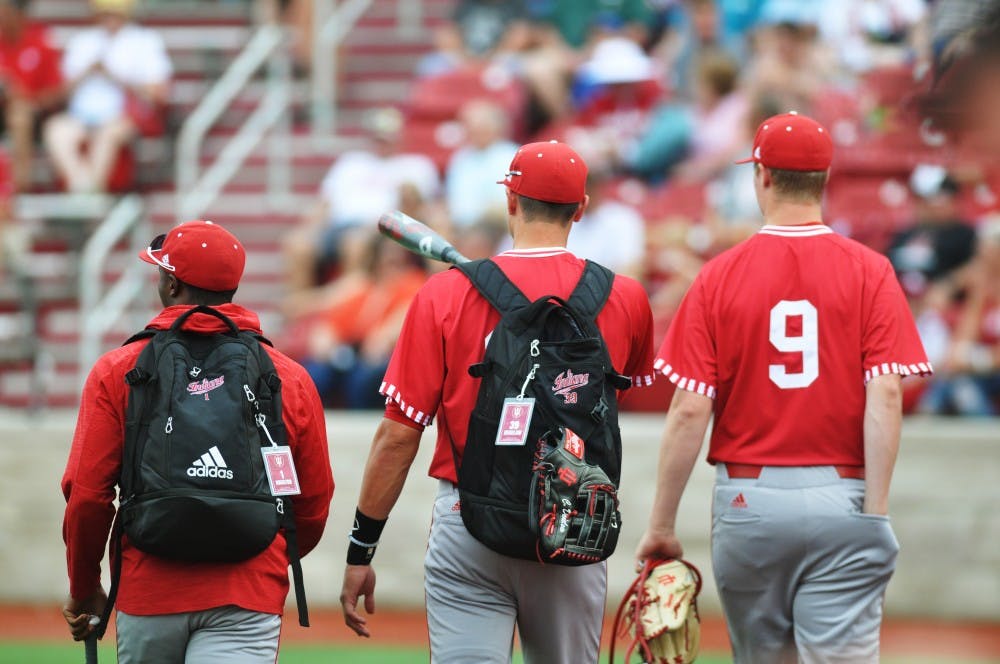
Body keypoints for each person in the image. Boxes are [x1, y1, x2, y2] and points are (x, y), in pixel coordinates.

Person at [339, 141, 656, 663]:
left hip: (469, 520)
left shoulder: (444, 294)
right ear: (580, 209)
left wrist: (361, 549)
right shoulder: (625, 296)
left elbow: (399, 435)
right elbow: (623, 403)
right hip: (573, 519)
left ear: (511, 201)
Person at [635, 112, 932, 663]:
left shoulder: (718, 274)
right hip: (844, 494)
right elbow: (885, 396)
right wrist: (876, 511)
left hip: (750, 501)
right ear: (824, 179)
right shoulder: (871, 270)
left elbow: (688, 410)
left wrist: (662, 526)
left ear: (762, 177)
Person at [61, 220, 334, 663]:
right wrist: (259, 560)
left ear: (170, 283)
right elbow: (314, 501)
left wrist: (85, 586)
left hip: (149, 590)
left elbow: (88, 497)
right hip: (247, 594)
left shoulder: (117, 370)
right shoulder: (289, 377)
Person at [43, 0, 171, 193]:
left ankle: (92, 191)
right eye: (105, 14)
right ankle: (83, 188)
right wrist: (87, 72)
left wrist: (115, 76)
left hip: (124, 117)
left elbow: (158, 93)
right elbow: (61, 91)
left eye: (114, 14)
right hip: (80, 116)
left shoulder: (145, 41)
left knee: (107, 136)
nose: (109, 19)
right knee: (56, 131)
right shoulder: (83, 41)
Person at [0, 0, 63, 191]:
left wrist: (19, 94)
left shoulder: (41, 43)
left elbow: (55, 93)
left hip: (32, 115)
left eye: (4, 11)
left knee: (20, 115)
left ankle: (19, 187)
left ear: (18, 14)